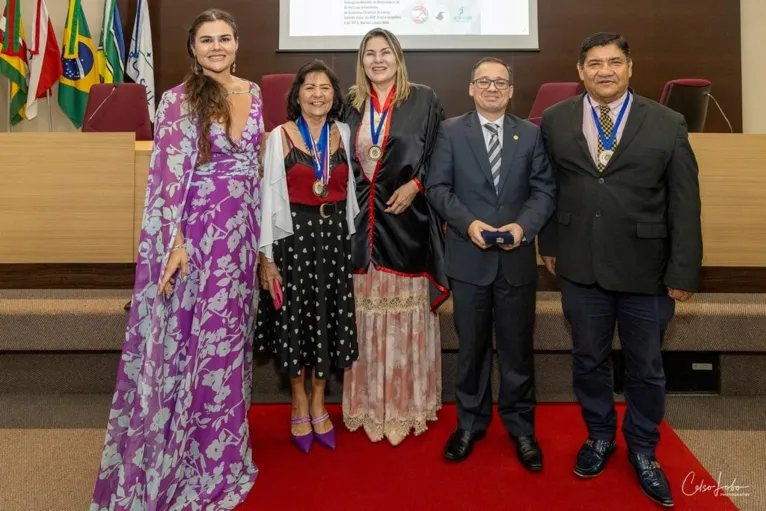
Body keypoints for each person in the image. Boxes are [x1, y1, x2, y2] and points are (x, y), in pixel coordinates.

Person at [91, 9, 263, 510]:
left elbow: (252, 168)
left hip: (240, 241)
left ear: (236, 43)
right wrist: (177, 243)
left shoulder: (252, 94)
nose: (216, 47)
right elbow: (166, 179)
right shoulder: (177, 99)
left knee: (228, 346)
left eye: (224, 38)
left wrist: (259, 246)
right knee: (190, 346)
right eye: (206, 40)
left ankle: (222, 457)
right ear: (193, 48)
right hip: (194, 243)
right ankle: (182, 456)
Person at [538, 32, 702, 507]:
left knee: (646, 368)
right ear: (580, 70)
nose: (603, 71)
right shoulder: (555, 119)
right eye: (594, 63)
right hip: (580, 265)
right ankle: (599, 436)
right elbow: (548, 187)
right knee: (587, 361)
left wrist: (683, 270)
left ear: (630, 67)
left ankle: (645, 449)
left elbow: (684, 202)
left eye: (613, 62)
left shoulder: (668, 122)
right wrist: (549, 243)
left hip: (647, 270)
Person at [426, 57, 555, 468]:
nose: (492, 88)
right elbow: (438, 188)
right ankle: (470, 424)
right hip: (469, 259)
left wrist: (523, 227)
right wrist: (469, 224)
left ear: (512, 90)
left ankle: (521, 428)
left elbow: (544, 191)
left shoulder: (532, 135)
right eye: (484, 81)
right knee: (472, 350)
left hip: (516, 260)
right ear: (470, 88)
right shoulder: (449, 132)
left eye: (501, 82)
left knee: (517, 351)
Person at [341, 27, 449, 446]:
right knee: (365, 318)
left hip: (408, 224)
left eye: (386, 52)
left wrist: (417, 185)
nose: (378, 60)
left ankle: (408, 405)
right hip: (362, 230)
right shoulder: (349, 103)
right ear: (362, 60)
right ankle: (368, 404)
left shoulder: (423, 98)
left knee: (406, 317)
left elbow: (441, 153)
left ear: (399, 58)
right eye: (370, 53)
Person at [255, 59, 360, 454]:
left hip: (332, 243)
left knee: (328, 320)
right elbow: (266, 202)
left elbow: (350, 194)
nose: (318, 93)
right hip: (292, 241)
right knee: (296, 320)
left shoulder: (344, 133)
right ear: (296, 95)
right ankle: (298, 402)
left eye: (325, 87)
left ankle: (320, 401)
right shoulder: (278, 136)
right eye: (309, 87)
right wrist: (266, 259)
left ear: (335, 96)